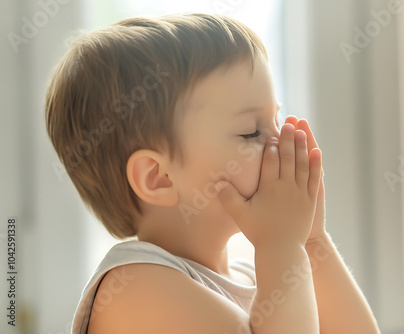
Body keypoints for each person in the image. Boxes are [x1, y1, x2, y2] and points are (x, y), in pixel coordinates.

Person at [45, 13, 380, 334]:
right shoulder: (134, 289)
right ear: (158, 177)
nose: (280, 143)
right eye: (251, 132)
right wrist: (283, 244)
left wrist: (310, 240)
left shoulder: (254, 277)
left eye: (276, 120)